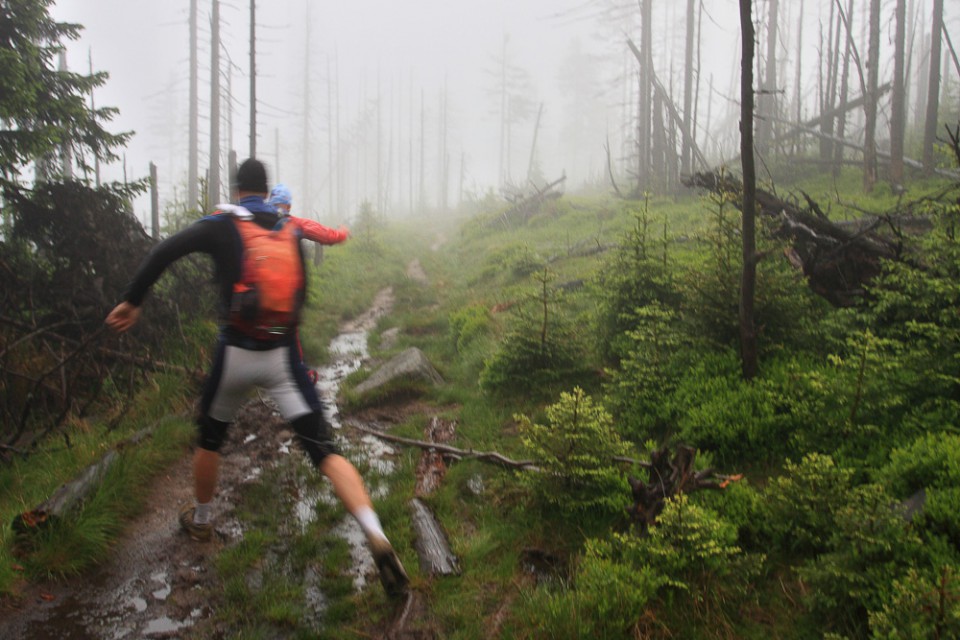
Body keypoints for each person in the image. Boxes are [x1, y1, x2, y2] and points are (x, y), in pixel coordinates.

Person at [104, 158, 409, 598]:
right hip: (282, 356)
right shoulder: (287, 229)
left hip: (235, 354)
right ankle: (375, 532)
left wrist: (133, 301)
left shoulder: (222, 224)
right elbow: (299, 293)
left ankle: (203, 521)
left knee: (210, 438)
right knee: (325, 451)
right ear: (268, 191)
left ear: (237, 189)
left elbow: (163, 251)